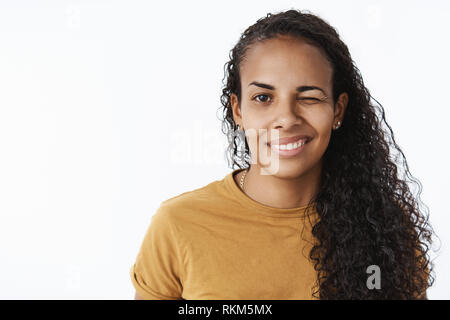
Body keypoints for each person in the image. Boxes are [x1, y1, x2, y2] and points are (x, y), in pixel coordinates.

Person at [130, 9, 435, 300]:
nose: (286, 118)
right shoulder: (177, 225)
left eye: (309, 97)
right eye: (263, 97)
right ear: (238, 110)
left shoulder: (384, 229)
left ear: (337, 110)